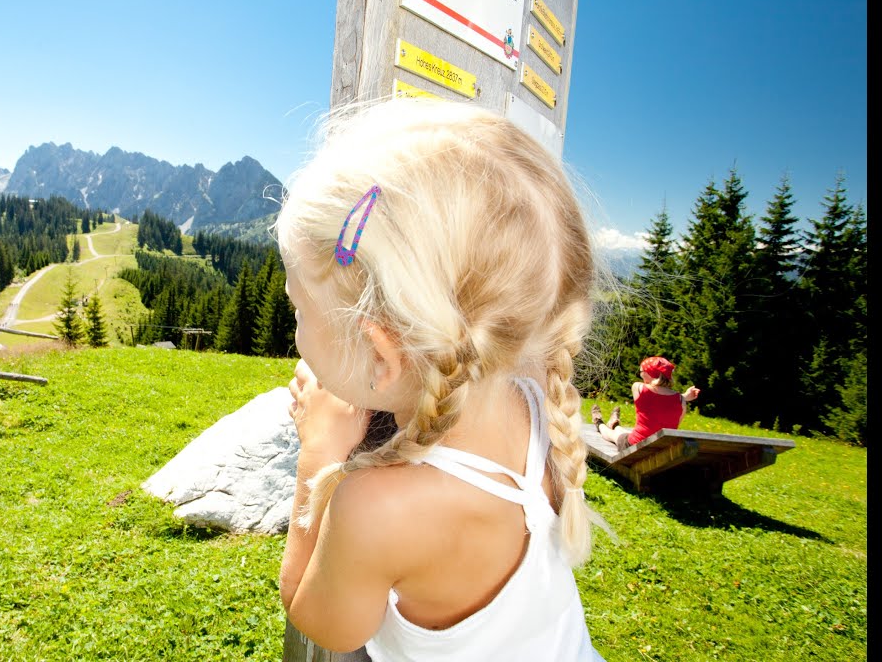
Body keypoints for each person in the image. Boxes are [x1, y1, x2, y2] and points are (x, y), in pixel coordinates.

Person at [276, 97, 605, 660]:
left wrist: (319, 453)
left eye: (298, 310)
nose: (296, 326)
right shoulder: (532, 397)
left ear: (380, 355)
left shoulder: (375, 507)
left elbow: (326, 625)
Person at [593, 356, 700, 451]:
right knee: (623, 432)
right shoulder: (681, 400)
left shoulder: (638, 388)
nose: (640, 374)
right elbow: (666, 407)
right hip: (662, 449)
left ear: (648, 373)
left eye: (641, 372)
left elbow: (654, 398)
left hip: (635, 446)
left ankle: (599, 423)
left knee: (612, 435)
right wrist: (684, 396)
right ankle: (614, 424)